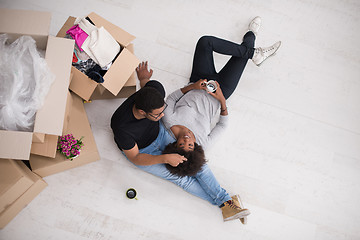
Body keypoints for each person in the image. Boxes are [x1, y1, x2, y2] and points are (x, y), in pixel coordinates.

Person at [162, 16, 281, 174]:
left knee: (205, 42)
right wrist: (221, 100)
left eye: (181, 144)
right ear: (195, 148)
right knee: (242, 56)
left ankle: (252, 53)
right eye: (190, 145)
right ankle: (251, 37)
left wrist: (193, 86)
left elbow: (171, 99)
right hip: (222, 90)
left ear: (174, 145)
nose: (186, 139)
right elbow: (223, 125)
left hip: (199, 80)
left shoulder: (169, 121)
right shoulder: (204, 143)